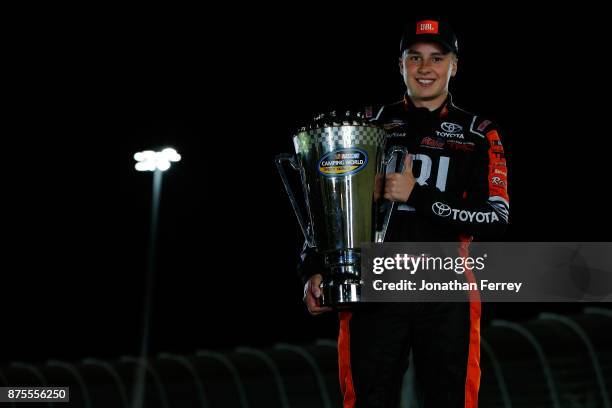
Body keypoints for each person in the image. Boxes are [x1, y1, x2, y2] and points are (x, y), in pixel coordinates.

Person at [299, 16, 510, 407]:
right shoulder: (365, 125)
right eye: (414, 58)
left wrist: (419, 194)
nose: (425, 68)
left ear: (454, 65)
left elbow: (495, 218)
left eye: (436, 58)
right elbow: (326, 203)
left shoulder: (480, 131)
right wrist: (313, 267)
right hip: (374, 283)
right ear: (400, 65)